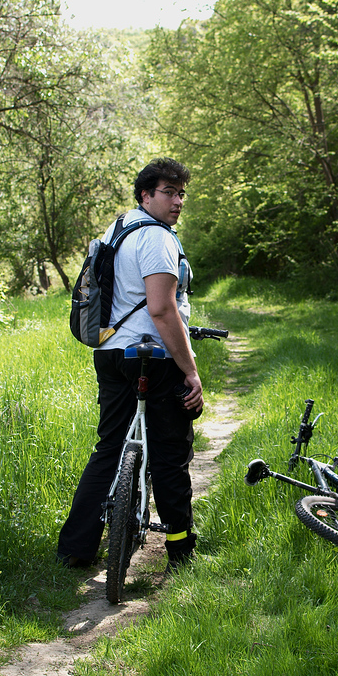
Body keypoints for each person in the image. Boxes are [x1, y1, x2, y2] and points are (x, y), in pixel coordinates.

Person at [57, 157, 203, 571]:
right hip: (152, 357)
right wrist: (190, 369)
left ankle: (76, 548)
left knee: (108, 448)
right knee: (170, 452)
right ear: (146, 195)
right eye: (168, 193)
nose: (177, 202)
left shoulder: (117, 229)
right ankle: (180, 552)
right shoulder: (157, 238)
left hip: (110, 354)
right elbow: (161, 309)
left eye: (180, 194)